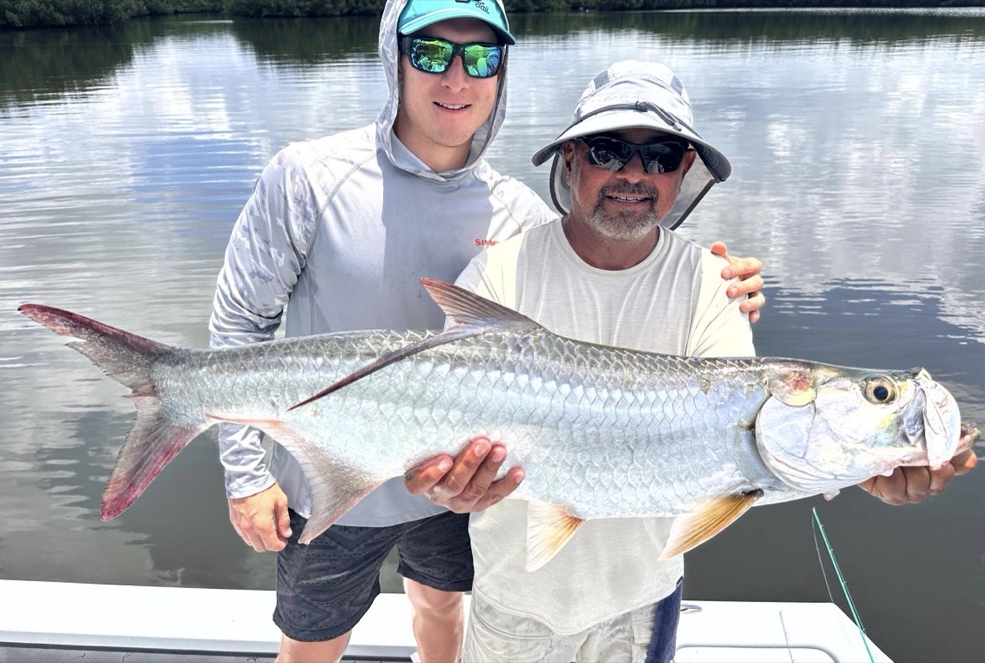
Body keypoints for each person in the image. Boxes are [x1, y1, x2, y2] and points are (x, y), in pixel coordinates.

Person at [208, 2, 765, 661]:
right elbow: (240, 321)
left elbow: (592, 277)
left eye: (480, 57)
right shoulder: (308, 176)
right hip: (332, 471)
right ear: (394, 55)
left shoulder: (517, 212)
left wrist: (721, 282)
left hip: (460, 477)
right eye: (430, 53)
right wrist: (245, 472)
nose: (455, 79)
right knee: (310, 641)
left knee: (441, 617)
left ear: (501, 71)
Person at [404, 60, 978, 662]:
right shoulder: (498, 273)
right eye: (608, 150)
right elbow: (446, 437)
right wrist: (449, 486)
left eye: (660, 157)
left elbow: (754, 453)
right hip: (515, 594)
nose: (633, 173)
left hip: (643, 600)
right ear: (570, 160)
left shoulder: (714, 286)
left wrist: (862, 468)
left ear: (684, 171)